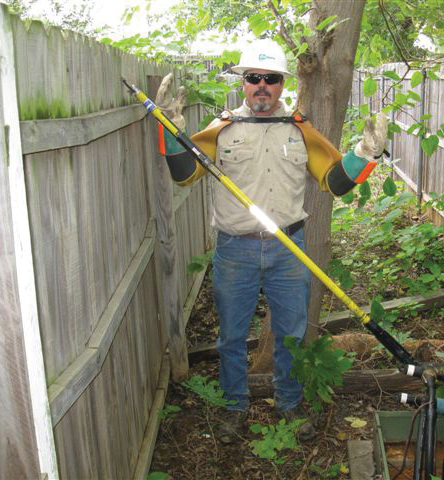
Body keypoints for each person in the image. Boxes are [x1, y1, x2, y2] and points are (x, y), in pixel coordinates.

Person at [156, 38, 387, 444]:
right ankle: (233, 408)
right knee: (230, 337)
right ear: (243, 82)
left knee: (291, 335)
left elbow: (334, 182)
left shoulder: (300, 132)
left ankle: (290, 404)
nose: (262, 85)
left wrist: (365, 154)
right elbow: (183, 175)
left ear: (282, 85)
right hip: (235, 250)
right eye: (254, 78)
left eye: (271, 79)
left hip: (288, 249)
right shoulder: (221, 130)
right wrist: (169, 129)